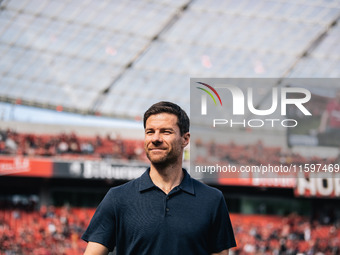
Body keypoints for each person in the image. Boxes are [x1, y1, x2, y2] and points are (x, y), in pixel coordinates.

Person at [82, 101, 236, 255]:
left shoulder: (212, 199)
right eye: (150, 132)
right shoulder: (117, 198)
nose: (155, 138)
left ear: (185, 139)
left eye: (166, 132)